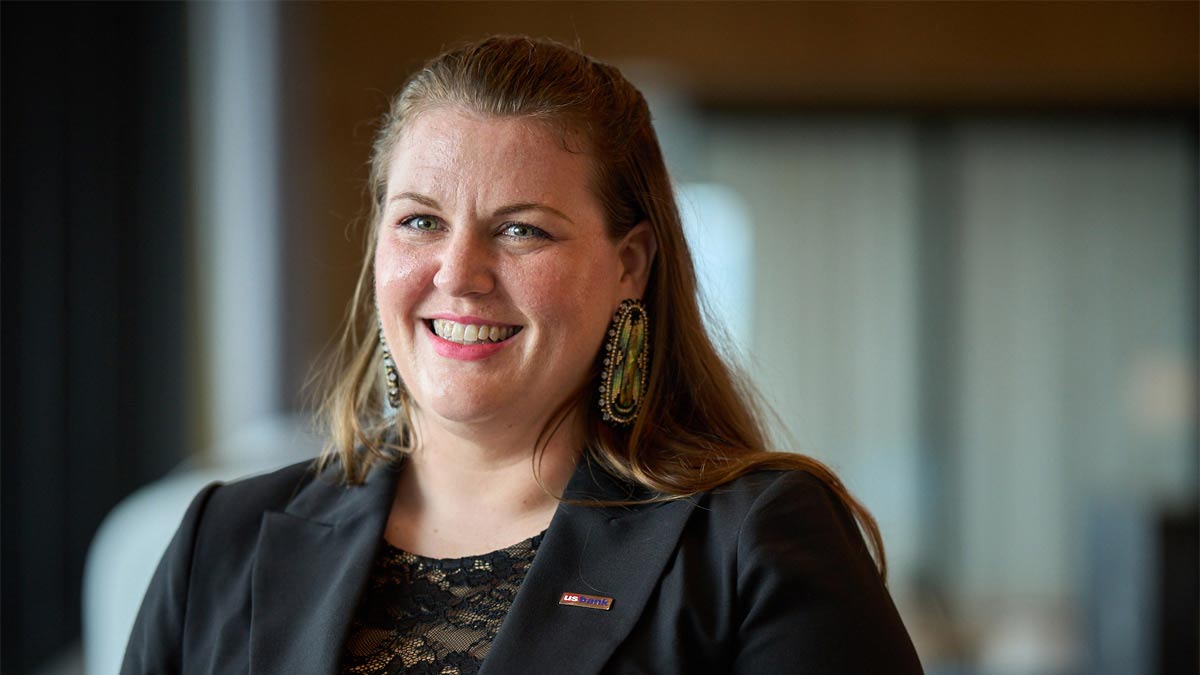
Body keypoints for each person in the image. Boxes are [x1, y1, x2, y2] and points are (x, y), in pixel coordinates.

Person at [122, 35, 923, 674]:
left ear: (629, 266)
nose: (459, 275)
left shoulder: (753, 543)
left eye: (522, 230)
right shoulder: (222, 540)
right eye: (419, 221)